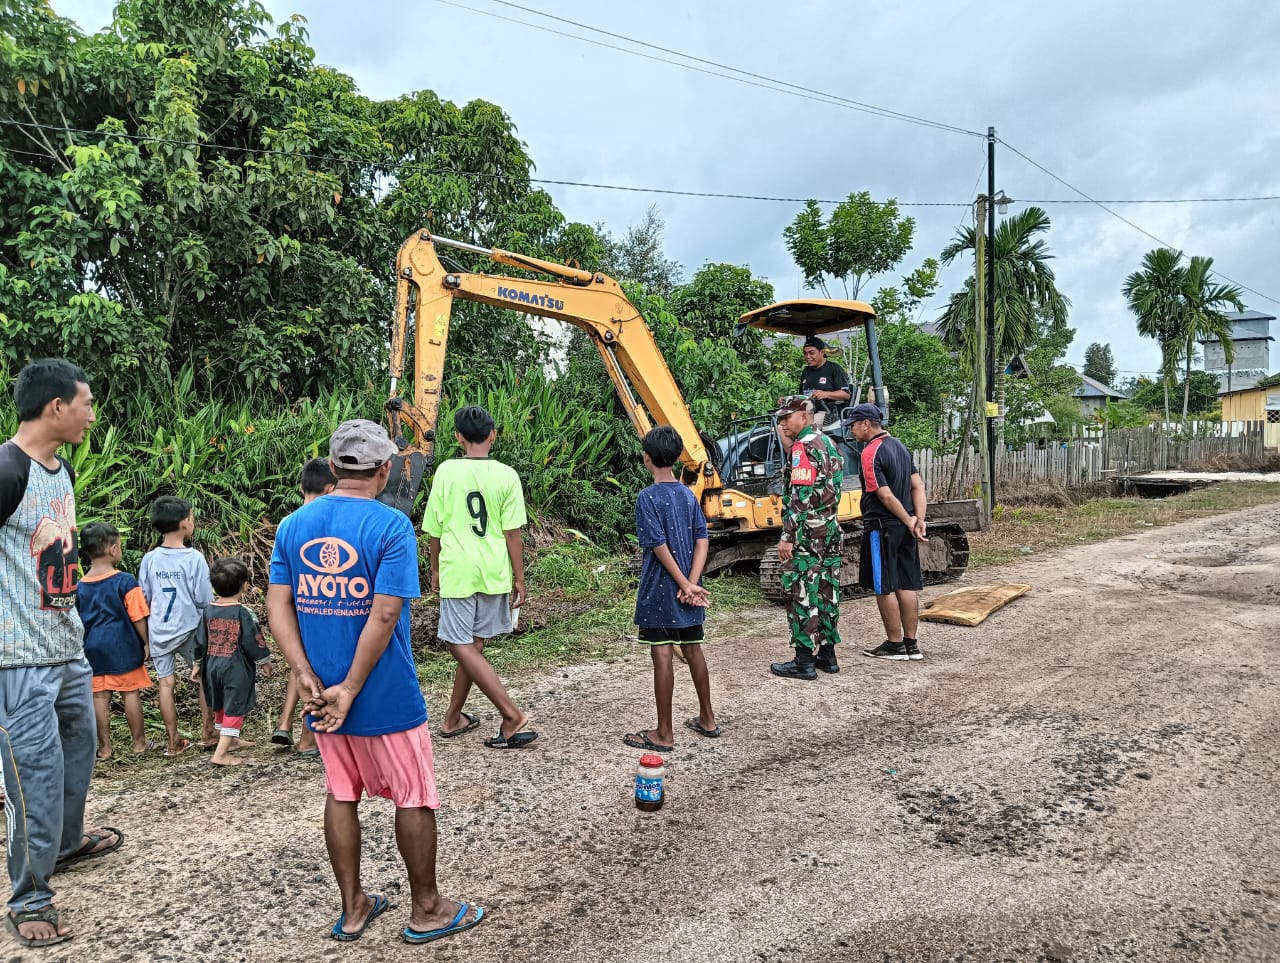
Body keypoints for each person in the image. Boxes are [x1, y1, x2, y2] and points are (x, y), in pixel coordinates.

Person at [267, 419, 484, 944]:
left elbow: (278, 604)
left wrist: (306, 674)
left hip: (322, 696)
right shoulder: (391, 528)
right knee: (413, 795)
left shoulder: (293, 525)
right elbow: (384, 616)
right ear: (386, 470)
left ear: (334, 466)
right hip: (382, 693)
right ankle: (427, 909)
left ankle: (354, 908)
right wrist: (353, 687)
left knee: (341, 792)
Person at [0, 358, 123, 949]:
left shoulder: (62, 468)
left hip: (66, 647)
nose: (91, 413)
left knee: (78, 757)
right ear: (56, 407)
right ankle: (28, 897)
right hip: (17, 660)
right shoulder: (5, 470)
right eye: (87, 402)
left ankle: (65, 844)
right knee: (34, 779)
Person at [425, 406, 537, 750]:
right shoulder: (507, 475)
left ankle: (511, 714)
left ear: (458, 437)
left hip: (458, 568)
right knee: (472, 645)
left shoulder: (446, 471)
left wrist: (434, 568)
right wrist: (519, 577)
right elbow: (512, 533)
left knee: (459, 644)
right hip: (493, 570)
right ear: (493, 435)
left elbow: (434, 528)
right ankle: (452, 718)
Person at [622, 426, 719, 754]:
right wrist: (692, 582)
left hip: (661, 590)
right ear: (678, 458)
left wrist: (682, 584)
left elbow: (658, 547)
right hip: (688, 590)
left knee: (662, 653)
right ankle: (708, 718)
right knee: (693, 649)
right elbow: (702, 539)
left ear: (646, 459)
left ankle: (664, 732)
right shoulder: (688, 496)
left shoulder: (647, 498)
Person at [769, 395, 845, 681]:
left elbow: (800, 497)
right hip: (830, 529)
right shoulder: (829, 443)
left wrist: (787, 536)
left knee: (801, 593)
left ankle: (803, 661)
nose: (782, 423)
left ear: (804, 415)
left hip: (806, 535)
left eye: (786, 417)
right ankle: (828, 655)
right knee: (828, 592)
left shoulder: (803, 447)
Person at [847, 403, 929, 662]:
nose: (851, 431)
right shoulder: (900, 447)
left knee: (884, 586)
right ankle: (911, 644)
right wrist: (918, 519)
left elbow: (883, 494)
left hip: (881, 526)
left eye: (853, 425)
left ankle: (894, 644)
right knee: (906, 583)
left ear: (866, 424)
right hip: (905, 526)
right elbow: (917, 485)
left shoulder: (870, 452)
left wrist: (907, 520)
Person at [138, 496, 216, 756]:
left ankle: (173, 741)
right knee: (205, 678)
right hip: (190, 628)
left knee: (165, 683)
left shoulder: (149, 559)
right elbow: (204, 599)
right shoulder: (193, 558)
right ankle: (208, 732)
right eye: (191, 517)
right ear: (184, 523)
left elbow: (144, 597)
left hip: (159, 631)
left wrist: (147, 636)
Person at [271, 458, 335, 758]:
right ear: (332, 488)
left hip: (296, 604)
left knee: (300, 668)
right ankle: (310, 736)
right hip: (322, 603)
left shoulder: (288, 523)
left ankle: (286, 724)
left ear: (301, 488)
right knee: (316, 669)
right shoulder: (327, 521)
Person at [76, 522, 153, 761]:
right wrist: (147, 641)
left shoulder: (79, 586)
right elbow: (138, 615)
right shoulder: (125, 581)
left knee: (99, 697)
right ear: (112, 549)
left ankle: (105, 748)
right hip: (123, 646)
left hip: (93, 648)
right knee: (130, 693)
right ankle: (139, 743)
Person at [194, 558, 273, 766]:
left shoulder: (208, 610)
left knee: (220, 704)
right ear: (244, 585)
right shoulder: (243, 613)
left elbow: (200, 639)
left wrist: (197, 663)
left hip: (212, 667)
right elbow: (253, 639)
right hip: (235, 668)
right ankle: (220, 754)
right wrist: (264, 660)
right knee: (235, 707)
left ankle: (231, 740)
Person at [798, 336, 851, 427]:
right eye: (805, 353)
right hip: (807, 413)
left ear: (822, 352)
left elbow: (846, 395)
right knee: (782, 426)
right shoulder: (806, 371)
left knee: (804, 425)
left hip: (829, 414)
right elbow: (801, 396)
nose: (807, 357)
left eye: (811, 353)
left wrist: (825, 394)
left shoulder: (834, 369)